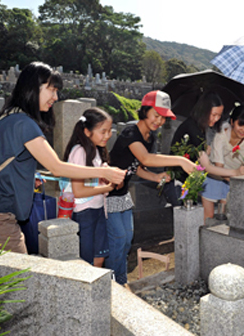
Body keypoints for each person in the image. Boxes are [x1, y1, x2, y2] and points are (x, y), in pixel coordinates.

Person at [0, 62, 125, 254]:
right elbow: (57, 168)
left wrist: (27, 177)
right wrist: (105, 172)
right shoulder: (25, 124)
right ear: (32, 89)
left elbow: (6, 161)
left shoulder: (7, 117)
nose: (55, 97)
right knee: (18, 281)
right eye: (51, 90)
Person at [106, 90, 196, 285]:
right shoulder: (131, 132)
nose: (159, 121)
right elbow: (145, 158)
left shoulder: (149, 138)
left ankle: (120, 280)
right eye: (156, 115)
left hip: (122, 194)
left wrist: (155, 177)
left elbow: (137, 166)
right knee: (118, 239)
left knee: (127, 239)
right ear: (145, 111)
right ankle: (112, 283)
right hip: (106, 194)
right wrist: (180, 160)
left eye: (163, 118)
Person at [63, 108, 115, 267]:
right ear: (87, 131)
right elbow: (78, 191)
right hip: (84, 212)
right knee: (86, 261)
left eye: (109, 131)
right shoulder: (79, 152)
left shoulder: (96, 150)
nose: (107, 136)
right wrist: (108, 187)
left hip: (97, 208)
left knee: (99, 257)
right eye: (103, 131)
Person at [163, 91, 225, 205]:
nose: (216, 119)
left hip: (187, 181)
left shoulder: (198, 126)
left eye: (219, 115)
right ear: (204, 111)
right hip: (177, 182)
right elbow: (207, 167)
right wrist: (232, 174)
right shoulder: (193, 128)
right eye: (214, 114)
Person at [199, 105, 244, 222]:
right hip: (215, 175)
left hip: (234, 179)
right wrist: (241, 181)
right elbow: (219, 169)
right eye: (240, 124)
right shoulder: (221, 135)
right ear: (232, 122)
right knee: (208, 217)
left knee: (224, 217)